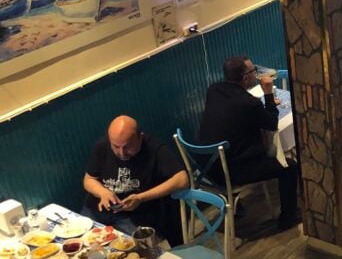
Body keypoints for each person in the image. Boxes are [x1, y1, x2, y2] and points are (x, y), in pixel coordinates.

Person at [198, 55, 300, 230]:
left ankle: (236, 208)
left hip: (205, 168)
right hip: (229, 173)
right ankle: (287, 218)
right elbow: (271, 123)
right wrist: (268, 93)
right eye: (254, 71)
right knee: (289, 168)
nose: (257, 73)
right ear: (246, 78)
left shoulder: (213, 90)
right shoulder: (249, 103)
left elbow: (233, 116)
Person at [82, 115, 187, 244]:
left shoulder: (155, 149)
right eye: (115, 146)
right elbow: (89, 179)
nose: (121, 153)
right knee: (80, 244)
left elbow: (182, 179)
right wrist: (102, 192)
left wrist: (140, 197)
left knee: (130, 252)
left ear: (140, 137)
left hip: (136, 216)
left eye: (127, 147)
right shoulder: (102, 146)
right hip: (97, 211)